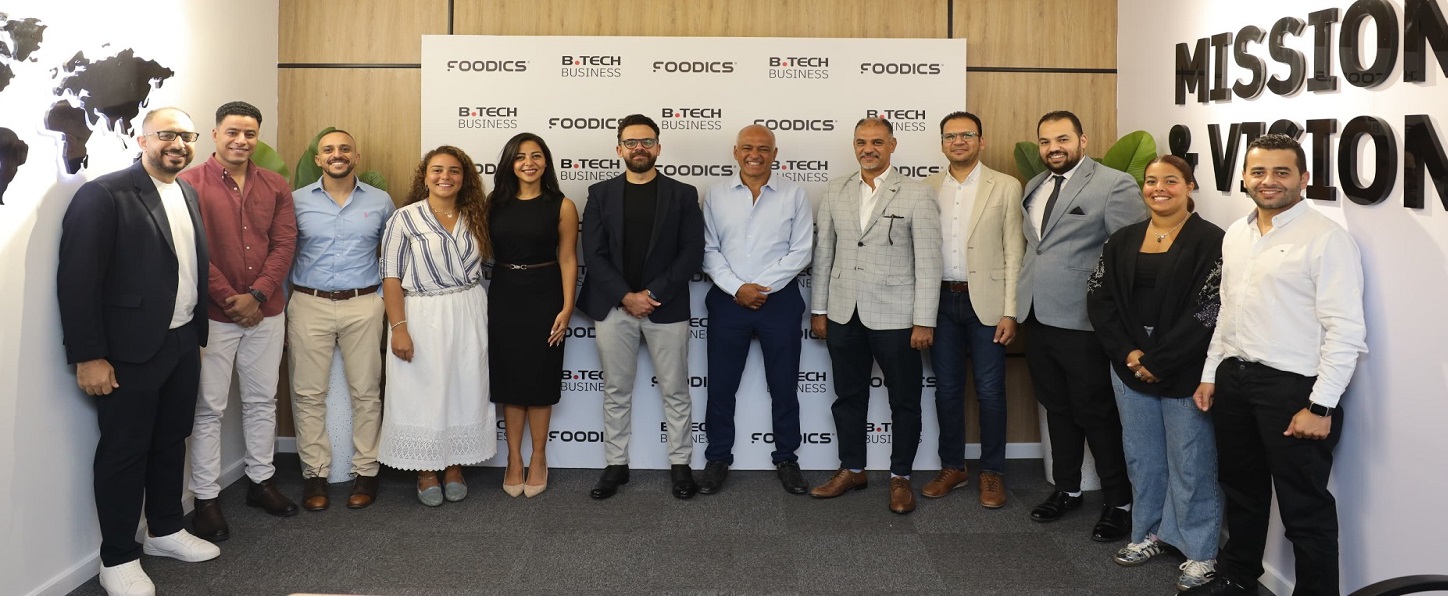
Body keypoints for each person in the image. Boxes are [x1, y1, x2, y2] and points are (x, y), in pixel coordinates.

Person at [1184, 134, 1367, 596]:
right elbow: (1228, 311)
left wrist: (1321, 406)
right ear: (1245, 177)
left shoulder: (1326, 239)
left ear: (1304, 179)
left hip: (1294, 389)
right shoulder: (1237, 233)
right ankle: (1239, 576)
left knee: (1304, 508)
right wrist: (1210, 373)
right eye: (1259, 171)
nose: (1269, 181)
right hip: (1235, 378)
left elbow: (1345, 330)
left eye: (1282, 172)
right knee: (1241, 490)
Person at [58, 107, 220, 596]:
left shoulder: (187, 191)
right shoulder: (104, 194)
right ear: (142, 139)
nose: (178, 144)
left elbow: (186, 270)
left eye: (186, 136)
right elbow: (78, 280)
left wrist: (194, 338)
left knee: (171, 440)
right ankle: (117, 557)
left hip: (180, 341)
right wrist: (88, 355)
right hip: (127, 351)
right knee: (124, 452)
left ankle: (165, 529)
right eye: (166, 134)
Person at [1086, 155, 1224, 591]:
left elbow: (1211, 309)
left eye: (1170, 180)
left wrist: (1159, 361)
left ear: (1189, 186)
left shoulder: (1212, 241)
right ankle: (1150, 534)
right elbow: (1099, 299)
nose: (1158, 188)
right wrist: (1129, 354)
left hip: (1186, 365)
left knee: (1191, 460)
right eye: (1150, 181)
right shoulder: (1122, 239)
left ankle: (1201, 551)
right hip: (1129, 364)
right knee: (1143, 457)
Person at [1017, 110, 1146, 541]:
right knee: (1057, 408)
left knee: (1096, 413)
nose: (1053, 148)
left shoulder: (1113, 184)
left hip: (1084, 320)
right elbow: (1037, 249)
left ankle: (1119, 502)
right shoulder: (1035, 186)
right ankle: (1067, 489)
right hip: (1037, 314)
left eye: (1062, 139)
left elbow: (1127, 257)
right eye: (1045, 141)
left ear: (1082, 140)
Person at [808, 117, 942, 514]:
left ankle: (900, 477)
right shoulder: (835, 190)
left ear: (892, 145)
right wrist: (820, 310)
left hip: (897, 316)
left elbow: (929, 263)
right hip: (843, 312)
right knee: (848, 397)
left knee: (905, 401)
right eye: (861, 142)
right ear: (854, 146)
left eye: (877, 142)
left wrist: (924, 320)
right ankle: (852, 469)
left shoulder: (917, 194)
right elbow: (824, 254)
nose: (868, 149)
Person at [182, 101, 298, 541]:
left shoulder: (275, 184)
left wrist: (258, 295)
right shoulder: (189, 183)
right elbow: (194, 249)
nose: (241, 140)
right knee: (208, 408)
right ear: (215, 134)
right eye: (232, 132)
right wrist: (232, 299)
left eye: (249, 133)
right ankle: (206, 498)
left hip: (266, 312)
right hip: (215, 315)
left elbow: (284, 243)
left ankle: (260, 482)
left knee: (262, 400)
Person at [578, 114, 705, 500]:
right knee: (616, 390)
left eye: (646, 142)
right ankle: (616, 465)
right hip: (615, 308)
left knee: (676, 391)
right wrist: (626, 296)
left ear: (658, 148)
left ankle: (681, 465)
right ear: (619, 149)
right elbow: (593, 254)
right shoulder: (600, 194)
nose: (639, 148)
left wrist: (651, 294)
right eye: (631, 142)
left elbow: (691, 252)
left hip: (666, 307)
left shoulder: (683, 194)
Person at [377, 146, 497, 506]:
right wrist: (399, 327)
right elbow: (391, 276)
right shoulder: (404, 218)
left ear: (465, 178)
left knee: (465, 385)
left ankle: (455, 466)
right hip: (422, 312)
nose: (446, 176)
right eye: (437, 170)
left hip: (468, 308)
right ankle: (426, 469)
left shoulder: (475, 216)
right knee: (420, 389)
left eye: (454, 171)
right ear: (425, 176)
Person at [698, 124, 813, 495]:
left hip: (779, 303)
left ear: (774, 154)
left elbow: (801, 251)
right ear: (735, 152)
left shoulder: (794, 194)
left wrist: (759, 288)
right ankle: (717, 458)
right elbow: (708, 250)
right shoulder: (715, 195)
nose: (755, 155)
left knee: (784, 385)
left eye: (764, 149)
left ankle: (787, 458)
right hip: (728, 302)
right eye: (747, 147)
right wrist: (738, 288)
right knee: (721, 386)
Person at [919, 111, 1023, 508]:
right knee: (946, 390)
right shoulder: (927, 188)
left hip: (988, 303)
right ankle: (953, 466)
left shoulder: (1006, 185)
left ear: (981, 141)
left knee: (991, 391)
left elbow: (1014, 251)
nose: (958, 141)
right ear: (941, 144)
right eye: (950, 136)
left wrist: (1010, 312)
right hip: (940, 302)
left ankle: (992, 471)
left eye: (966, 134)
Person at [287, 130, 393, 511]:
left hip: (363, 304)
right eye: (329, 149)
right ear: (318, 159)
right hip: (309, 303)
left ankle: (366, 471)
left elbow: (392, 254)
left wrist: (383, 302)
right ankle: (315, 475)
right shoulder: (296, 201)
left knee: (366, 391)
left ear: (355, 156)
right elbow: (283, 252)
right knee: (308, 394)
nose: (337, 154)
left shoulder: (380, 201)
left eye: (345, 149)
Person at [486, 132, 579, 498]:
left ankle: (538, 458)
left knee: (540, 379)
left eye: (536, 155)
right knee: (511, 380)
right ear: (510, 163)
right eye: (521, 156)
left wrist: (567, 307)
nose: (529, 162)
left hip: (546, 294)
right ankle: (514, 459)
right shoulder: (494, 203)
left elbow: (568, 258)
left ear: (546, 162)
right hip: (505, 292)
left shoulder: (563, 205)